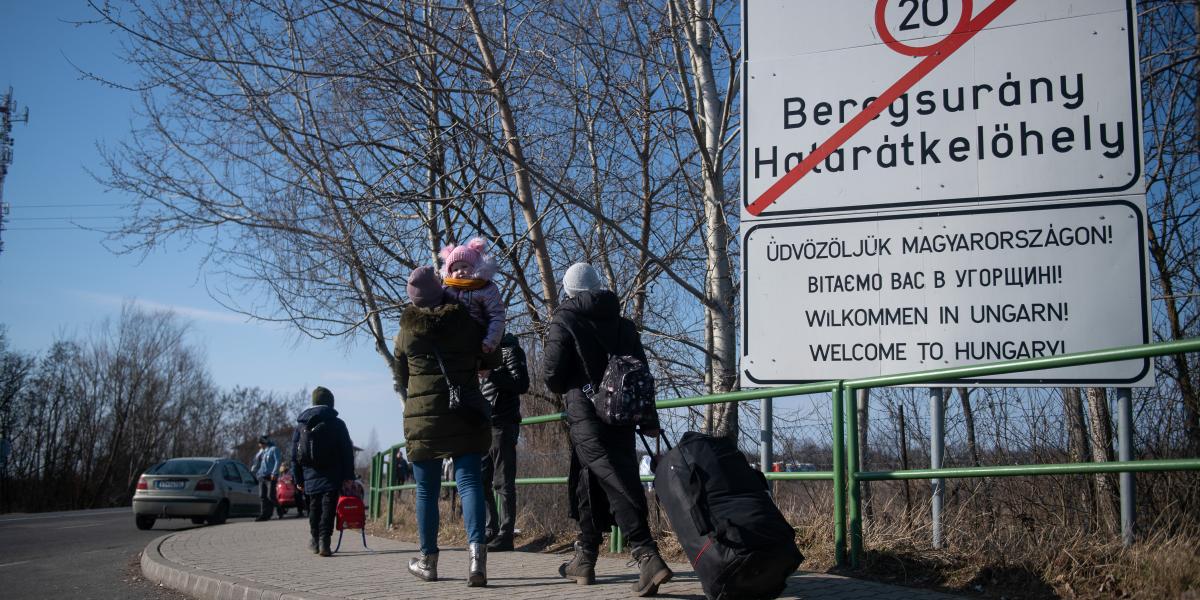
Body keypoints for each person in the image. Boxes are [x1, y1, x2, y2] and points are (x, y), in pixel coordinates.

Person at [543, 262, 673, 596]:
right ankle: (585, 557)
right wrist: (650, 420)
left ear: (569, 291)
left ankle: (647, 556)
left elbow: (553, 377)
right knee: (591, 477)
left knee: (614, 481)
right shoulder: (624, 324)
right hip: (622, 417)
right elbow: (642, 377)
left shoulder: (565, 319)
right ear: (598, 287)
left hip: (586, 413)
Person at [395, 266, 491, 586]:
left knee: (426, 491)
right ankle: (477, 559)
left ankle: (428, 562)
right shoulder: (464, 319)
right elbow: (491, 357)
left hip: (424, 418)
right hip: (463, 412)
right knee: (470, 484)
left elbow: (400, 377)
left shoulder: (406, 330)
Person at [479, 332, 530, 551]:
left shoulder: (511, 351)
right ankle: (491, 529)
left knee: (503, 481)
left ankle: (506, 534)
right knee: (481, 480)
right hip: (483, 423)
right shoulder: (482, 353)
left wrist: (491, 374)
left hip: (503, 423)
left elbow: (521, 383)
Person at [291, 386, 355, 557]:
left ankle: (314, 539)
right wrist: (348, 476)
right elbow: (347, 451)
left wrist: (297, 479)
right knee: (328, 507)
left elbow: (294, 455)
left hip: (309, 474)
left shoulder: (301, 425)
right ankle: (324, 542)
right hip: (332, 474)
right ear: (330, 403)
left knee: (313, 507)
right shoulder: (337, 423)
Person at [439, 238, 505, 372]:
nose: (460, 271)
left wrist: (490, 341)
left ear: (475, 267)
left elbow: (496, 316)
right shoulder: (446, 289)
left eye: (464, 266)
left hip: (478, 339)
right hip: (452, 341)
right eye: (455, 269)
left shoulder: (486, 288)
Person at [251, 435, 280, 521]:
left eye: (260, 443)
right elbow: (256, 463)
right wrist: (255, 473)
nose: (259, 445)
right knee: (262, 496)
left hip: (270, 476)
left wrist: (274, 473)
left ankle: (280, 510)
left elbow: (277, 461)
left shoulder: (274, 449)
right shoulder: (261, 452)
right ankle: (264, 514)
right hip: (261, 476)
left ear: (263, 443)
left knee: (270, 496)